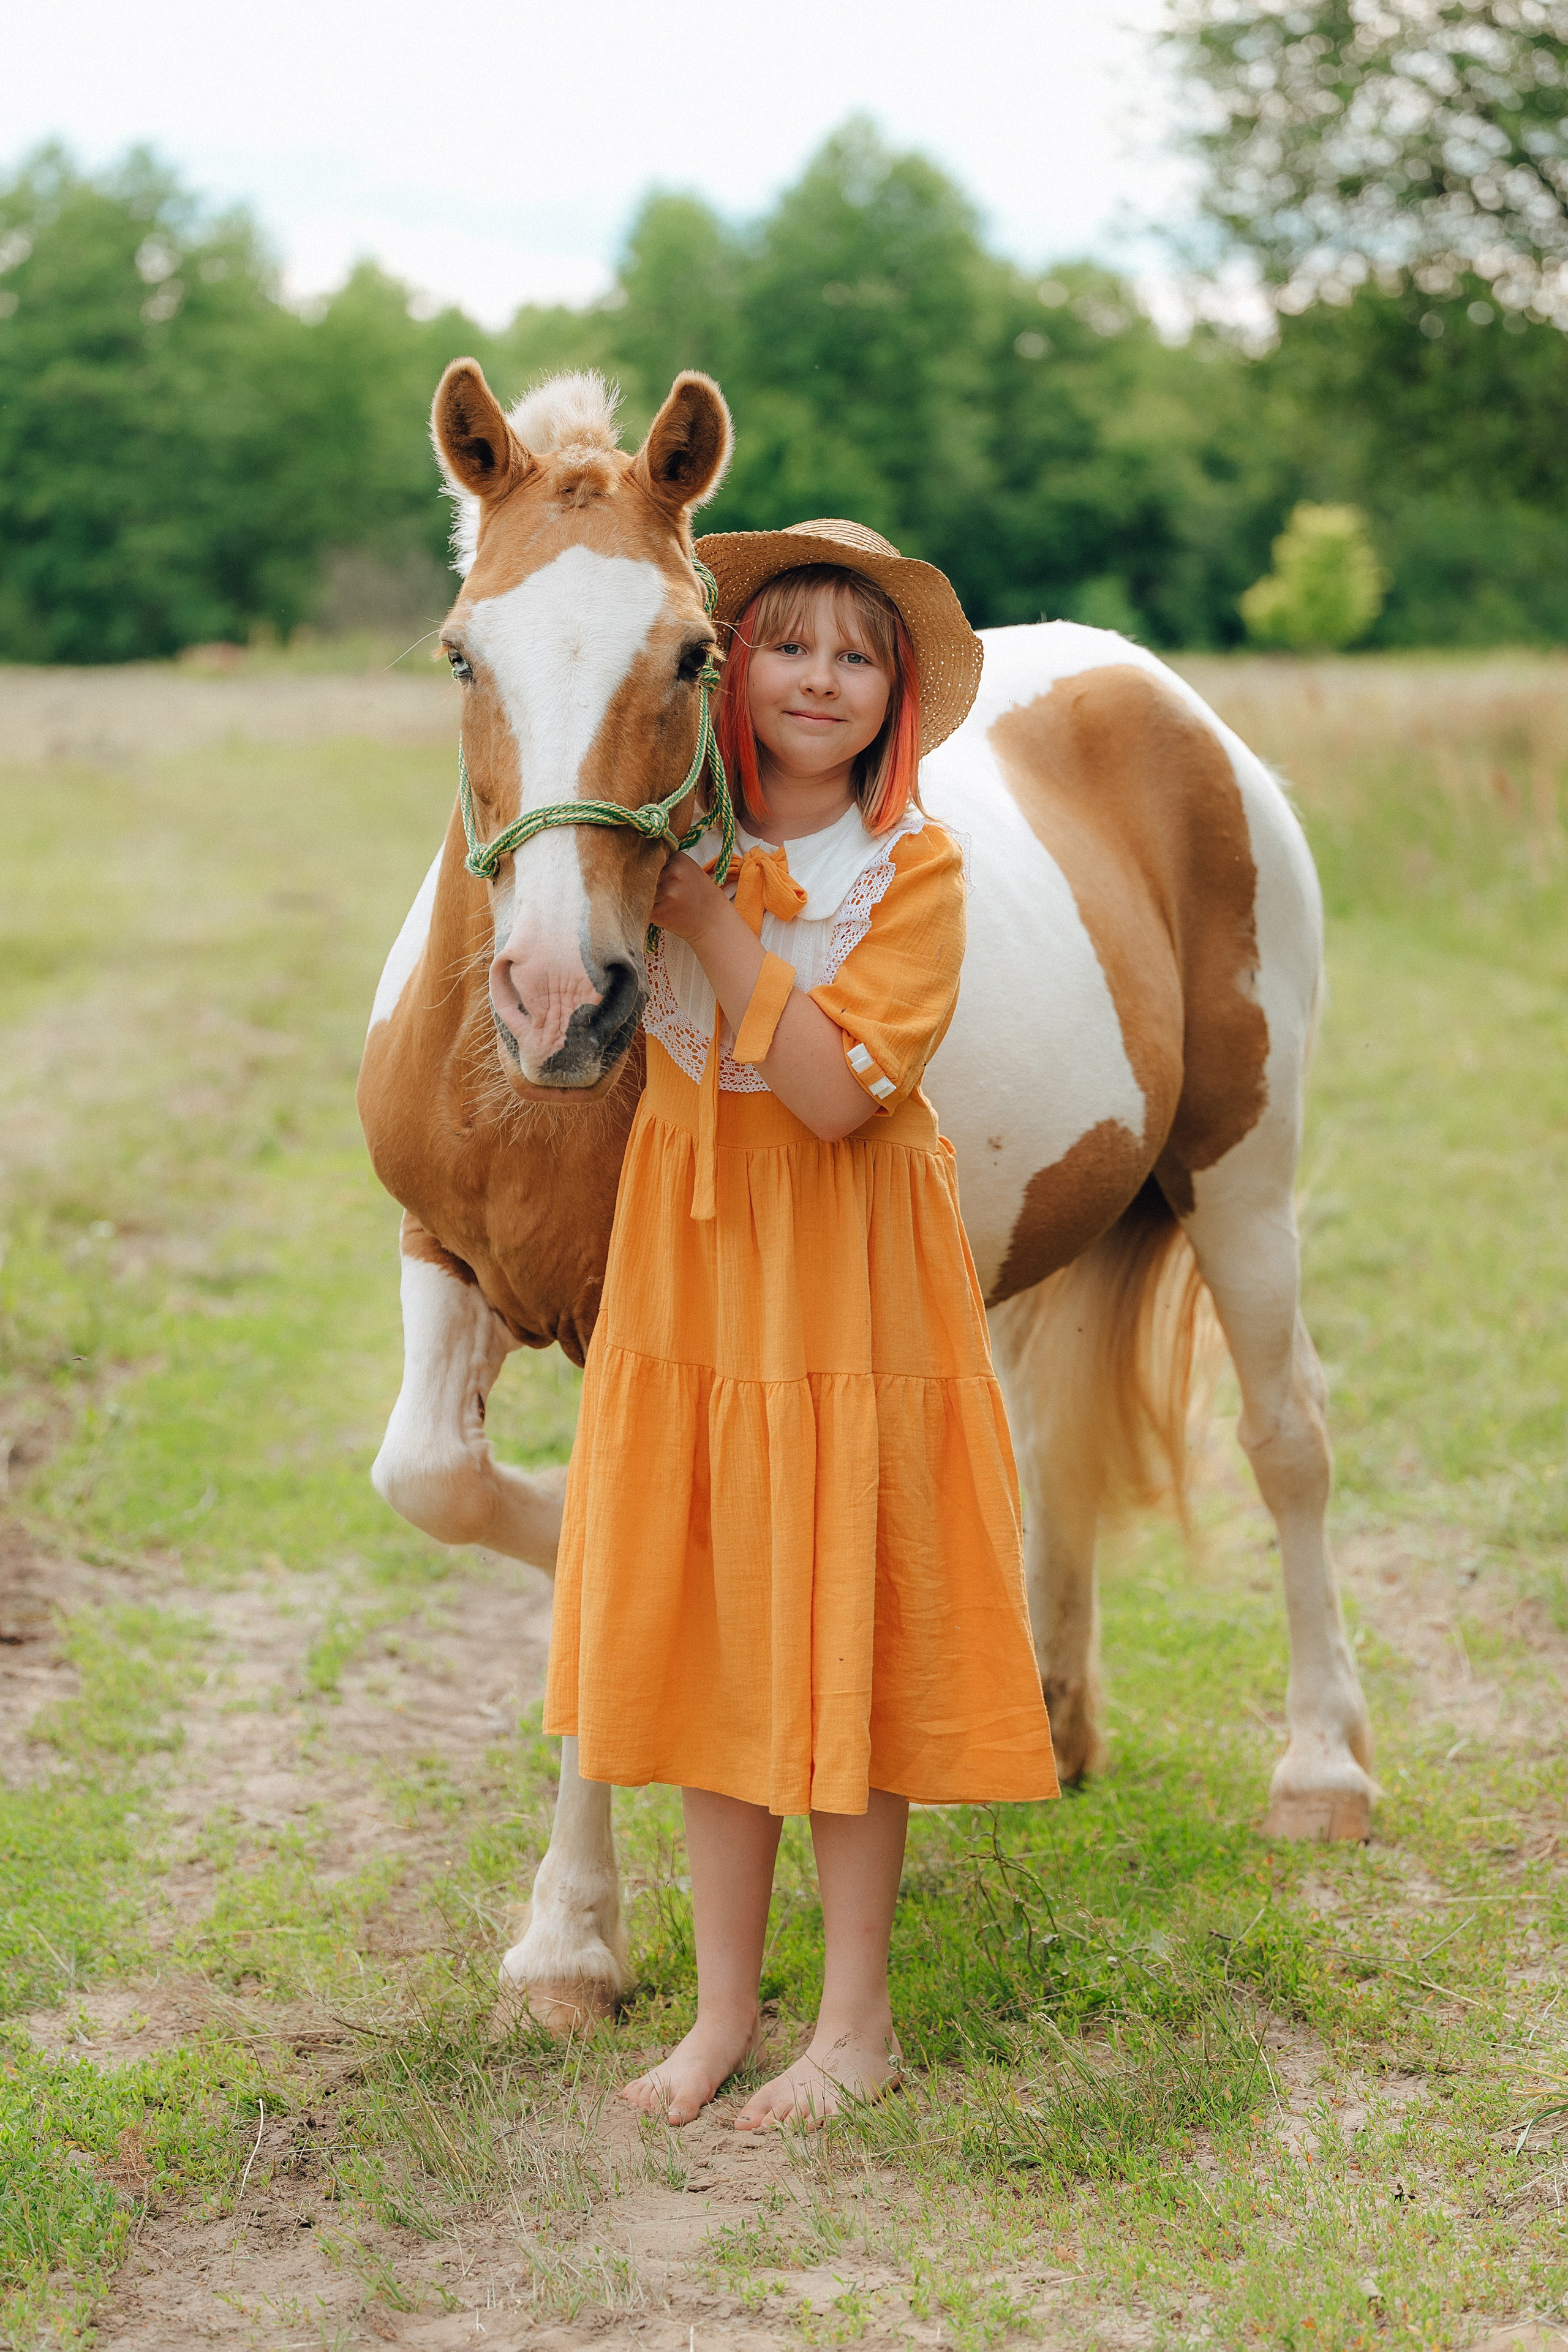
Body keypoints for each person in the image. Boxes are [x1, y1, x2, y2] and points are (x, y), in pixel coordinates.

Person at [543, 519, 1058, 2130]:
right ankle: (715, 2019)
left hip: (846, 1282)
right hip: (695, 1280)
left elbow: (832, 1100)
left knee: (846, 1630)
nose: (820, 676)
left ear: (894, 695)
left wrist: (715, 930)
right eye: (789, 643)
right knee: (713, 1639)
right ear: (733, 668)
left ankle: (856, 2026)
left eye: (857, 654)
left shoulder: (911, 871)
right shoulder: (673, 836)